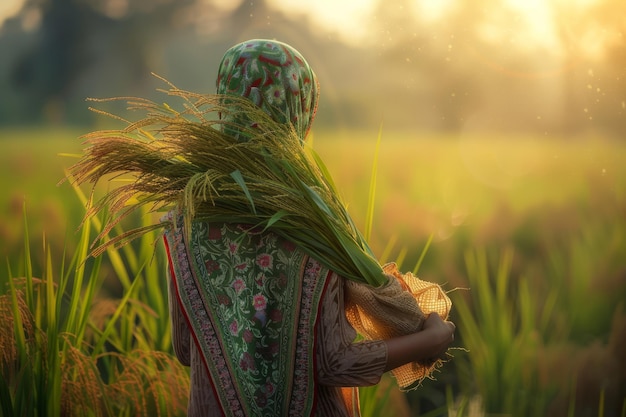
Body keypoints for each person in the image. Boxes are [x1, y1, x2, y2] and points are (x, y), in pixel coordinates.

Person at [69, 39, 455, 417]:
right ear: (303, 109)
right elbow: (335, 364)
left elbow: (187, 349)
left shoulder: (188, 216)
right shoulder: (313, 222)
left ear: (224, 103)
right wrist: (427, 341)